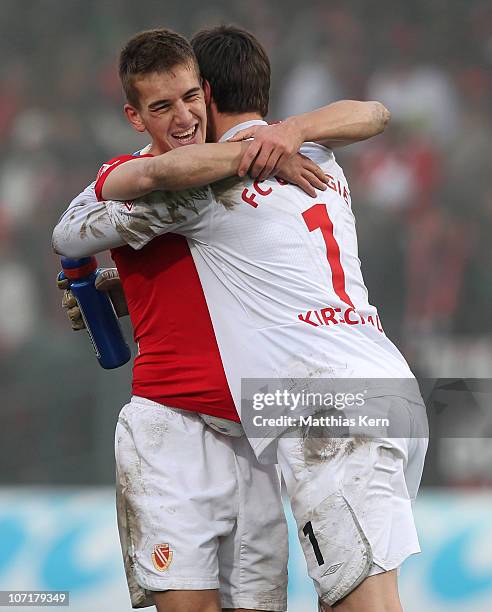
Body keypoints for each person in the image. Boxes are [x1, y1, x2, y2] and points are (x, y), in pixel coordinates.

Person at [53, 27, 390, 612]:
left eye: (188, 98)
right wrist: (115, 290)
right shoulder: (167, 181)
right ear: (135, 116)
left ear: (206, 94)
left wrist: (279, 139)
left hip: (260, 425)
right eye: (162, 106)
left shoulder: (238, 180)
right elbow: (69, 233)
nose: (182, 116)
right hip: (174, 419)